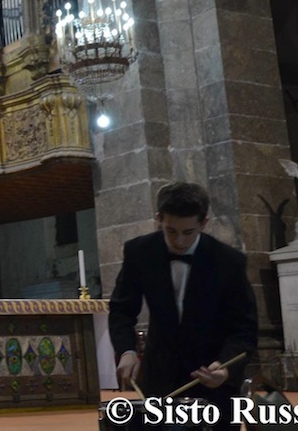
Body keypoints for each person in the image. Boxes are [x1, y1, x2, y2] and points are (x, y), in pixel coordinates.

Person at [109, 181, 257, 430]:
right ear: (159, 218)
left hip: (212, 380)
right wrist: (126, 351)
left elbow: (244, 327)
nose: (179, 241)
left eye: (188, 232)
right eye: (171, 231)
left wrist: (225, 369)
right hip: (160, 376)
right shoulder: (140, 252)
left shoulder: (228, 261)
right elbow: (122, 309)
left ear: (204, 222)